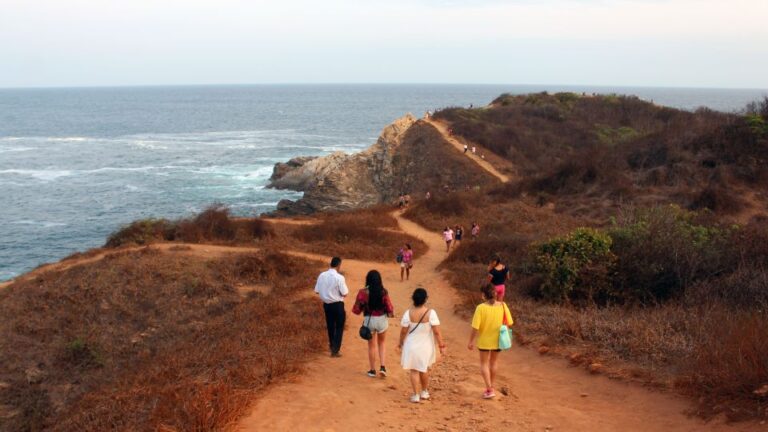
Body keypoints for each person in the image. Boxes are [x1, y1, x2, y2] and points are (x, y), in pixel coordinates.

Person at [399, 288, 446, 403]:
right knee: (423, 369)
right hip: (425, 347)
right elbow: (436, 332)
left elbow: (403, 331)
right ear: (425, 299)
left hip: (411, 346)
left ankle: (415, 395)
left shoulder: (408, 313)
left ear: (413, 299)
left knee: (414, 370)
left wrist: (400, 343)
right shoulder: (431, 313)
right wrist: (441, 345)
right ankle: (424, 392)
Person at [467, 283, 513, 399]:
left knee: (484, 364)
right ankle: (491, 386)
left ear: (483, 295)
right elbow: (509, 323)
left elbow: (475, 327)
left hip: (484, 341)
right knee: (493, 363)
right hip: (498, 340)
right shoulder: (503, 305)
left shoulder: (480, 308)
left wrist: (471, 341)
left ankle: (489, 389)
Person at [352, 270, 395, 377]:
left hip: (369, 321)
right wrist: (389, 314)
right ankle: (383, 367)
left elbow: (356, 310)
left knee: (371, 346)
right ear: (379, 280)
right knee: (382, 343)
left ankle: (372, 370)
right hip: (382, 320)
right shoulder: (383, 292)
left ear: (368, 279)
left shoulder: (363, 292)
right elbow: (389, 308)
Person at [314, 257, 349, 357]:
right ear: (339, 265)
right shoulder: (339, 277)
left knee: (330, 326)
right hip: (337, 305)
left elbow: (316, 290)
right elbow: (345, 293)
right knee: (339, 326)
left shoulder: (322, 275)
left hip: (326, 305)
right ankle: (335, 350)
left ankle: (331, 345)